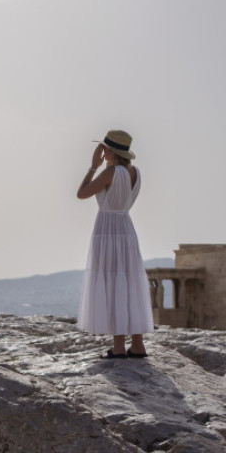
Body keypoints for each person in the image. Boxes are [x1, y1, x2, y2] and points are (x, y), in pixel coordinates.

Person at [76, 130, 154, 358]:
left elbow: (82, 193)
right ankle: (138, 344)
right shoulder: (135, 172)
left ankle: (119, 347)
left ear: (112, 151)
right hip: (126, 229)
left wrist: (93, 166)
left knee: (112, 281)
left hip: (108, 230)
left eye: (104, 148)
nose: (102, 151)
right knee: (128, 282)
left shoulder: (110, 172)